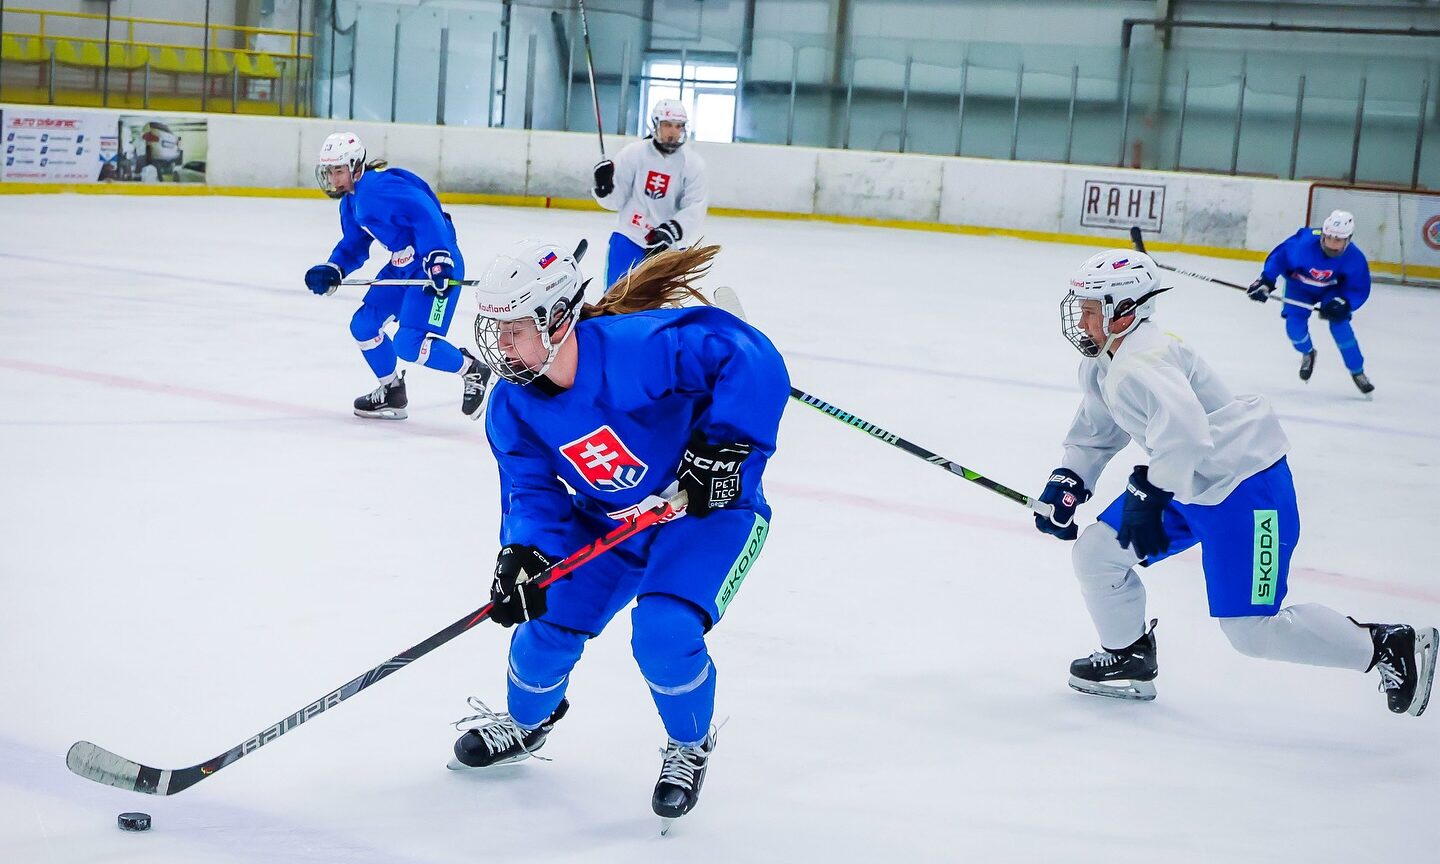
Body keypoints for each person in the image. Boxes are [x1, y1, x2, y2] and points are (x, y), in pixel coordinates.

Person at [447, 241, 788, 829]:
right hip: (611, 521)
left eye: (516, 329)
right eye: (494, 328)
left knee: (663, 631)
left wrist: (726, 448)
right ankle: (529, 722)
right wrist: (525, 552)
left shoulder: (640, 349)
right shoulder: (512, 405)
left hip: (706, 519)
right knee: (541, 632)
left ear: (557, 319)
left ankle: (689, 745)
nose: (501, 344)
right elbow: (531, 491)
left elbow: (746, 352)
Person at [1033, 249, 1435, 715]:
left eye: (1088, 310)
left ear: (1124, 313)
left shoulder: (1141, 363)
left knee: (1251, 630)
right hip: (1188, 484)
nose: (1080, 321)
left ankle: (1386, 646)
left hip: (1246, 492)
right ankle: (1129, 656)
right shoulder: (1107, 360)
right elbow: (1098, 430)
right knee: (1098, 553)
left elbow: (1186, 439)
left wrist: (1149, 495)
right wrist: (1069, 480)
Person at [303, 132, 491, 420]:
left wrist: (438, 256)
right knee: (364, 325)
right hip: (403, 266)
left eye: (338, 170)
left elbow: (425, 210)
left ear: (355, 166)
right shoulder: (350, 202)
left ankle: (473, 370)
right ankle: (392, 391)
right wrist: (334, 268)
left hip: (435, 267)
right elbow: (354, 244)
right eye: (329, 171)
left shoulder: (379, 188)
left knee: (408, 343)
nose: (332, 178)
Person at [1247, 210, 1374, 395]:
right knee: (1294, 328)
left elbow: (1359, 288)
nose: (1331, 244)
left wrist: (1345, 303)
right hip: (1299, 287)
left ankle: (1358, 372)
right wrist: (1265, 281)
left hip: (1332, 291)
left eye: (1338, 240)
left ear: (1348, 239)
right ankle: (1308, 353)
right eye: (1329, 237)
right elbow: (1279, 257)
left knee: (1341, 328)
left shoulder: (1355, 258)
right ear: (1323, 233)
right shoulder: (1303, 244)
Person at [591, 99, 709, 291]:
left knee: (662, 305)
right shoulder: (633, 154)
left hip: (669, 246)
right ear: (656, 125)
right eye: (667, 125)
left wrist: (671, 231)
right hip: (630, 237)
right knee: (615, 297)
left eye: (678, 126)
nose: (673, 132)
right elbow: (615, 201)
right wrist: (604, 188)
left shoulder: (693, 164)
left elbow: (695, 206)